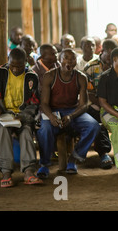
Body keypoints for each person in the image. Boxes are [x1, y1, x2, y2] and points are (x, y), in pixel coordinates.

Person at [36, 48, 100, 177]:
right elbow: (43, 103)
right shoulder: (50, 76)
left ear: (76, 61)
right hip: (53, 111)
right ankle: (44, 165)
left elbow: (83, 105)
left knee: (93, 125)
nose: (69, 61)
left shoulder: (81, 77)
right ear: (59, 60)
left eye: (72, 59)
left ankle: (74, 159)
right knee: (44, 129)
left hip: (73, 111)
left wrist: (71, 116)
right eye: (65, 58)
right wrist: (51, 116)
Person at [0, 48, 42, 187]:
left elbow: (34, 103)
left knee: (26, 132)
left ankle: (29, 171)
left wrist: (23, 116)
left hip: (22, 116)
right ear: (8, 62)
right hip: (3, 115)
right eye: (13, 66)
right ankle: (6, 172)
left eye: (20, 66)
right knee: (3, 131)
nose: (16, 69)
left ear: (26, 63)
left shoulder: (31, 77)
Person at [83, 39, 118, 169]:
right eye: (109, 56)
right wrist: (104, 106)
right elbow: (89, 93)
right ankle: (104, 154)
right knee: (98, 121)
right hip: (95, 104)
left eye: (114, 56)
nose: (111, 59)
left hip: (115, 104)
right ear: (102, 51)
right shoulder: (91, 67)